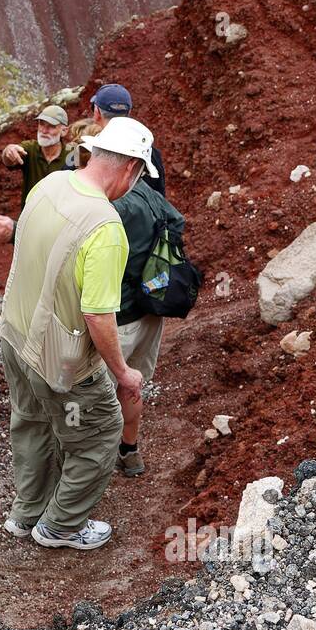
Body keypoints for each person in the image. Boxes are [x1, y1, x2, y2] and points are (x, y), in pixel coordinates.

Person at [0, 118, 158, 550]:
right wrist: (123, 373)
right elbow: (98, 314)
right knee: (99, 434)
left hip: (15, 336)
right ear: (130, 169)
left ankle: (26, 512)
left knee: (31, 422)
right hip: (59, 361)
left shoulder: (49, 186)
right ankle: (61, 526)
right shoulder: (105, 228)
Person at [108, 179, 186, 477]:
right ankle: (130, 451)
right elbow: (177, 222)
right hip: (150, 310)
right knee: (132, 384)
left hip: (120, 315)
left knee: (96, 395)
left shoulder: (113, 205)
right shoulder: (145, 191)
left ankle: (91, 467)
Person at [0, 102, 71, 244]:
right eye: (41, 124)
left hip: (59, 227)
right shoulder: (30, 149)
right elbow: (10, 157)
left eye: (51, 126)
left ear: (64, 131)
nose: (44, 130)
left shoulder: (71, 156)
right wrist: (8, 151)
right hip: (29, 222)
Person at [90, 83, 166, 195]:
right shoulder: (150, 153)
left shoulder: (87, 150)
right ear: (129, 112)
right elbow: (160, 198)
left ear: (97, 113)